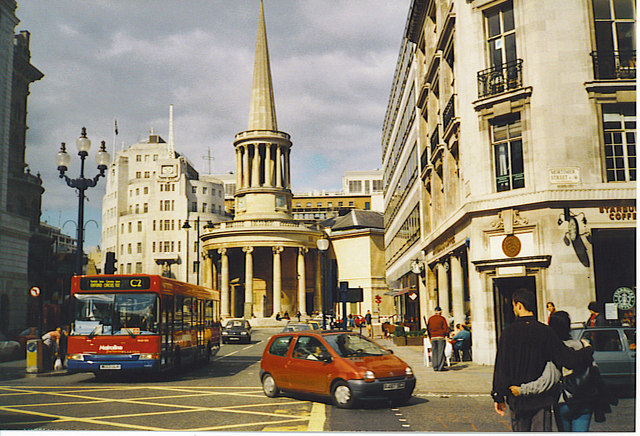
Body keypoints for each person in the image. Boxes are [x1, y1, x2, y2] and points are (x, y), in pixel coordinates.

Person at [491, 288, 594, 432]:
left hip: (518, 400)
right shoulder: (545, 331)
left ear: (519, 305)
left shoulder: (508, 332)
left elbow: (501, 367)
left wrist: (498, 395)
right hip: (541, 400)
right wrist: (588, 350)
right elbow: (568, 359)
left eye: (514, 305)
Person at [508, 311, 605, 432]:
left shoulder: (554, 349)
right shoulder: (581, 345)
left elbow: (548, 379)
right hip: (585, 399)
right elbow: (594, 371)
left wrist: (522, 390)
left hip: (563, 401)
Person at [427, 307, 449, 371]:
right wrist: (447, 335)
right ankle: (440, 366)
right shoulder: (442, 319)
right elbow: (445, 328)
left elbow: (428, 328)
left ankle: (435, 366)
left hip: (433, 337)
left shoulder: (430, 319)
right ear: (440, 312)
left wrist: (430, 337)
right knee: (440, 352)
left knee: (434, 352)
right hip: (440, 337)